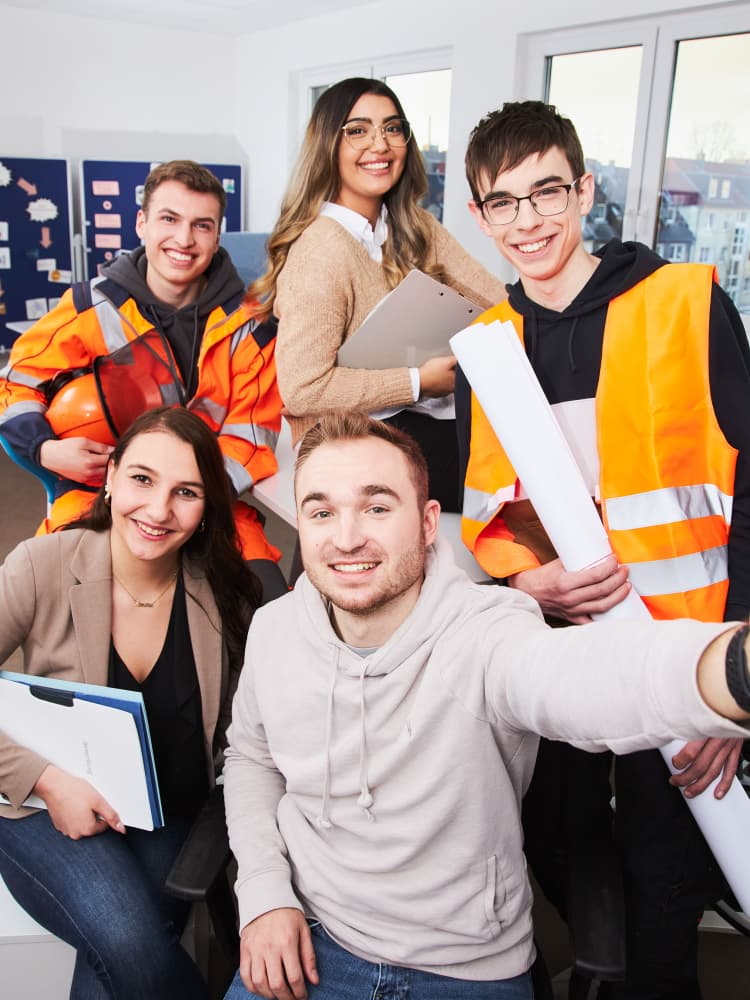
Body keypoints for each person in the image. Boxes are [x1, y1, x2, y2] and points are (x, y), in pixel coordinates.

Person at [222, 412, 750, 1000]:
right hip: (311, 938)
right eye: (322, 512)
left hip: (460, 968)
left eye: (376, 507)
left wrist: (733, 668)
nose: (346, 538)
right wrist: (264, 894)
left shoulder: (486, 632)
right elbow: (251, 759)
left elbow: (584, 677)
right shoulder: (274, 631)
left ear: (427, 525)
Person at [458, 99, 750, 999]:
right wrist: (531, 579)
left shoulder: (684, 303)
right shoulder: (490, 348)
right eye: (502, 203)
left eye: (546, 191)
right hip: (569, 662)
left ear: (586, 192)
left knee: (665, 895)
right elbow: (487, 514)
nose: (528, 220)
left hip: (686, 661)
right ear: (478, 217)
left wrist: (732, 683)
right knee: (564, 857)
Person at [0, 406, 261, 999]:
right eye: (142, 479)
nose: (159, 510)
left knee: (120, 961)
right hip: (45, 809)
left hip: (164, 810)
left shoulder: (225, 592)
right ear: (111, 475)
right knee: (125, 937)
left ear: (207, 508)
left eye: (186, 492)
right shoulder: (43, 564)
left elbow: (249, 736)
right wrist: (43, 780)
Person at [0, 159, 286, 599]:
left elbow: (250, 439)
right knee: (43, 596)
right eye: (169, 219)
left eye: (202, 225)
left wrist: (187, 495)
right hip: (99, 495)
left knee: (268, 605)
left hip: (210, 502)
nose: (184, 239)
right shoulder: (89, 308)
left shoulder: (252, 328)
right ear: (141, 223)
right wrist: (47, 449)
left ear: (217, 234)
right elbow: (16, 383)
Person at [247, 77, 506, 510]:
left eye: (392, 128)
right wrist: (418, 381)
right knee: (500, 477)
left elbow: (496, 298)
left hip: (421, 418)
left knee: (519, 450)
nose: (380, 144)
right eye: (358, 130)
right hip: (346, 441)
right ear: (328, 145)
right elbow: (303, 390)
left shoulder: (414, 225)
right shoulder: (320, 249)